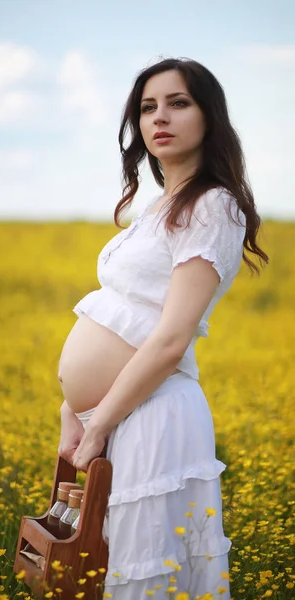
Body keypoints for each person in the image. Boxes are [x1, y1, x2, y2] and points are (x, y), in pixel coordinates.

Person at [57, 57, 269, 599]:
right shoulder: (159, 205)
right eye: (148, 108)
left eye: (179, 103)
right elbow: (121, 313)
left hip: (154, 419)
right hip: (124, 413)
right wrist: (73, 412)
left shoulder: (213, 205)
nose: (160, 118)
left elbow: (171, 338)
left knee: (148, 582)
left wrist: (100, 421)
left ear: (209, 117)